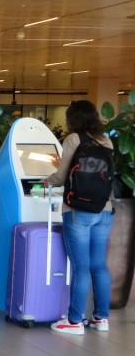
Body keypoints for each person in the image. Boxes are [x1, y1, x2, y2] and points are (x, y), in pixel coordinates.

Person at [43, 99, 114, 335]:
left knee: (81, 267)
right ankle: (101, 318)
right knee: (99, 267)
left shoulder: (73, 140)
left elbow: (62, 176)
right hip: (104, 209)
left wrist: (48, 180)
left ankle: (74, 321)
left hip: (78, 210)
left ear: (73, 119)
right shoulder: (106, 141)